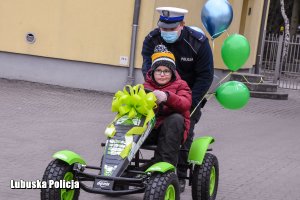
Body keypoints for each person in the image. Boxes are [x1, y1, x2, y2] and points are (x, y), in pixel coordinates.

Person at [141, 7, 214, 192]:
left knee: (180, 126)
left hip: (187, 94)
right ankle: (123, 167)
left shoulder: (198, 43)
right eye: (163, 29)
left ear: (182, 25)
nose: (166, 33)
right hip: (156, 95)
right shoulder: (152, 39)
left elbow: (205, 76)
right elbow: (148, 70)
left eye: (171, 29)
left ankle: (178, 174)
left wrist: (188, 102)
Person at [143, 44, 192, 171]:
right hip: (150, 129)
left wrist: (167, 97)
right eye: (159, 71)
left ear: (172, 73)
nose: (162, 74)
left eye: (166, 71)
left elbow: (185, 103)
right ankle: (117, 168)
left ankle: (165, 170)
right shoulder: (145, 86)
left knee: (175, 118)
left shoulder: (181, 85)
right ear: (153, 72)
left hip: (171, 131)